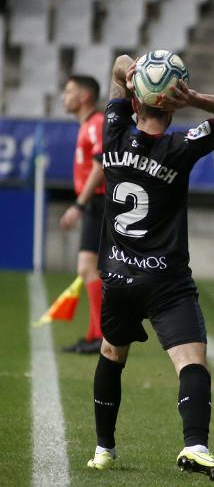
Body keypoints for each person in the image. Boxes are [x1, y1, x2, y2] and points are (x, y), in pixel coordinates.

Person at [86, 53, 214, 480]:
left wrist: (136, 74)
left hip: (119, 275)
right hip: (166, 280)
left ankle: (104, 450)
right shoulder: (181, 146)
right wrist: (194, 97)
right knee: (191, 361)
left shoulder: (113, 130)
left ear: (135, 103)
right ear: (173, 104)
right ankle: (195, 445)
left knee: (111, 354)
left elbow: (120, 64)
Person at [59, 75, 105, 354]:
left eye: (69, 91)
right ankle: (93, 335)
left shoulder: (96, 124)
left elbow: (100, 165)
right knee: (90, 269)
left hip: (99, 202)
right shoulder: (87, 125)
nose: (64, 97)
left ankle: (99, 336)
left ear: (85, 96)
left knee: (89, 268)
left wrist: (79, 204)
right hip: (94, 203)